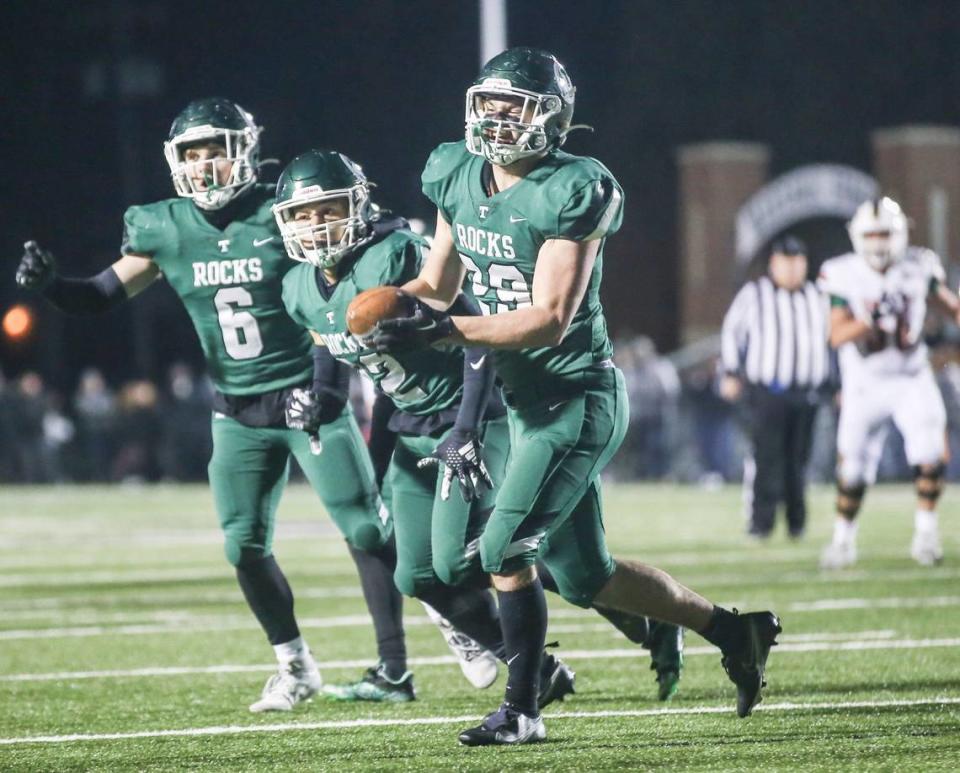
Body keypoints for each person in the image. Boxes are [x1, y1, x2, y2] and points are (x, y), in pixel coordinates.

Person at [371, 48, 781, 745]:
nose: (498, 119)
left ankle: (523, 708)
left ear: (553, 118)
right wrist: (387, 310)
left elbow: (548, 316)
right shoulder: (454, 171)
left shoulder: (575, 187)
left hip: (576, 400)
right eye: (490, 103)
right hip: (525, 405)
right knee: (587, 575)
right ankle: (735, 629)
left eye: (516, 106)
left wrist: (441, 331)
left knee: (502, 546)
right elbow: (436, 284)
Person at [13, 97, 469, 712]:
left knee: (366, 527)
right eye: (192, 154)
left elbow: (370, 227)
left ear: (245, 152)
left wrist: (331, 377)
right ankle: (295, 666)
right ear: (175, 161)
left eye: (216, 150)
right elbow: (99, 295)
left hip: (308, 393)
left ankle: (422, 645)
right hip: (236, 409)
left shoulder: (279, 210)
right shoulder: (163, 226)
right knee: (242, 545)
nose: (204, 166)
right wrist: (52, 288)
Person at [275, 148, 683, 704]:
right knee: (421, 573)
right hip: (412, 421)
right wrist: (318, 401)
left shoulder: (396, 255)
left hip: (472, 416)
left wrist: (466, 428)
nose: (316, 225)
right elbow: (328, 345)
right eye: (302, 215)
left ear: (357, 203)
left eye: (327, 209)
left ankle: (544, 661)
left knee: (489, 552)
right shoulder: (298, 286)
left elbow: (476, 331)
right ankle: (588, 632)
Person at [818, 196, 960, 568]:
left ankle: (926, 536)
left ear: (899, 235)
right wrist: (869, 322)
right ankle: (842, 542)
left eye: (885, 234)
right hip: (864, 383)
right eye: (872, 234)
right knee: (853, 468)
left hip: (911, 376)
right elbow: (836, 335)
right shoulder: (842, 272)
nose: (879, 243)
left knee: (930, 453)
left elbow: (951, 307)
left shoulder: (918, 265)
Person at [720, 236, 830, 539]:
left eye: (797, 262)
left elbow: (830, 342)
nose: (792, 269)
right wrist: (731, 372)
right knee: (767, 457)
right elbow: (732, 332)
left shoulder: (817, 295)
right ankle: (761, 523)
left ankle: (797, 523)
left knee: (799, 460)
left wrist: (836, 383)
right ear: (774, 264)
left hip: (807, 390)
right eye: (786, 262)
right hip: (768, 391)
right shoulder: (755, 294)